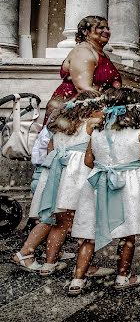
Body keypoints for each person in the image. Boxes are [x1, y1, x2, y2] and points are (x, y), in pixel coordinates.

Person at [69, 88, 140, 295]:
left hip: (99, 184)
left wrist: (106, 164)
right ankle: (122, 276)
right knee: (127, 233)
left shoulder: (96, 132)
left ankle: (77, 280)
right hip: (128, 184)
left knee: (89, 235)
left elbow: (88, 161)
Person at [11, 92, 110, 278]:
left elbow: (51, 151)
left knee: (60, 224)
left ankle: (49, 264)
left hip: (57, 177)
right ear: (92, 109)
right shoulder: (91, 124)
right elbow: (98, 150)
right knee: (85, 224)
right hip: (78, 177)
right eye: (102, 109)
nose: (104, 113)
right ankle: (84, 267)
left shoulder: (60, 125)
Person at [44, 16, 122, 124]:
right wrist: (108, 103)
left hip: (94, 109)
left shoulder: (102, 55)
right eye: (100, 27)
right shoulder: (83, 52)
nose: (106, 31)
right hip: (75, 109)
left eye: (107, 28)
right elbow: (83, 88)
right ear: (85, 31)